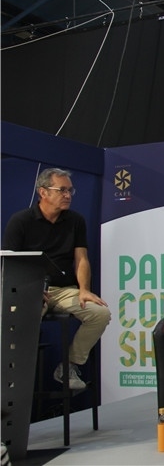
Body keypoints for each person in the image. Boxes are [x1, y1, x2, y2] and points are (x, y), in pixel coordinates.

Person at [2, 167, 111, 390]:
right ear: (43, 192)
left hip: (63, 290)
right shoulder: (21, 221)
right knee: (19, 316)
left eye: (70, 190)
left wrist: (84, 289)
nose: (68, 195)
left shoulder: (75, 221)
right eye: (62, 190)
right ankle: (12, 377)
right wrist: (26, 290)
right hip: (30, 288)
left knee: (100, 313)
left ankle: (68, 366)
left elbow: (81, 258)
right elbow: (9, 264)